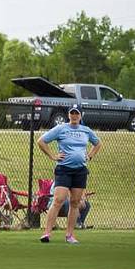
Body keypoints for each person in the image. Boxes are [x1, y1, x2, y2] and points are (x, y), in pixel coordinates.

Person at [38, 104, 101, 245]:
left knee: (75, 203)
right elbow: (41, 141)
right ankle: (47, 233)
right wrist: (53, 156)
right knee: (58, 200)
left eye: (76, 113)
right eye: (72, 113)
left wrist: (90, 156)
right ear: (68, 115)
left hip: (80, 171)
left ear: (81, 115)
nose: (74, 115)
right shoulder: (61, 129)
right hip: (63, 169)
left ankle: (69, 235)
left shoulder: (86, 131)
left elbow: (97, 143)